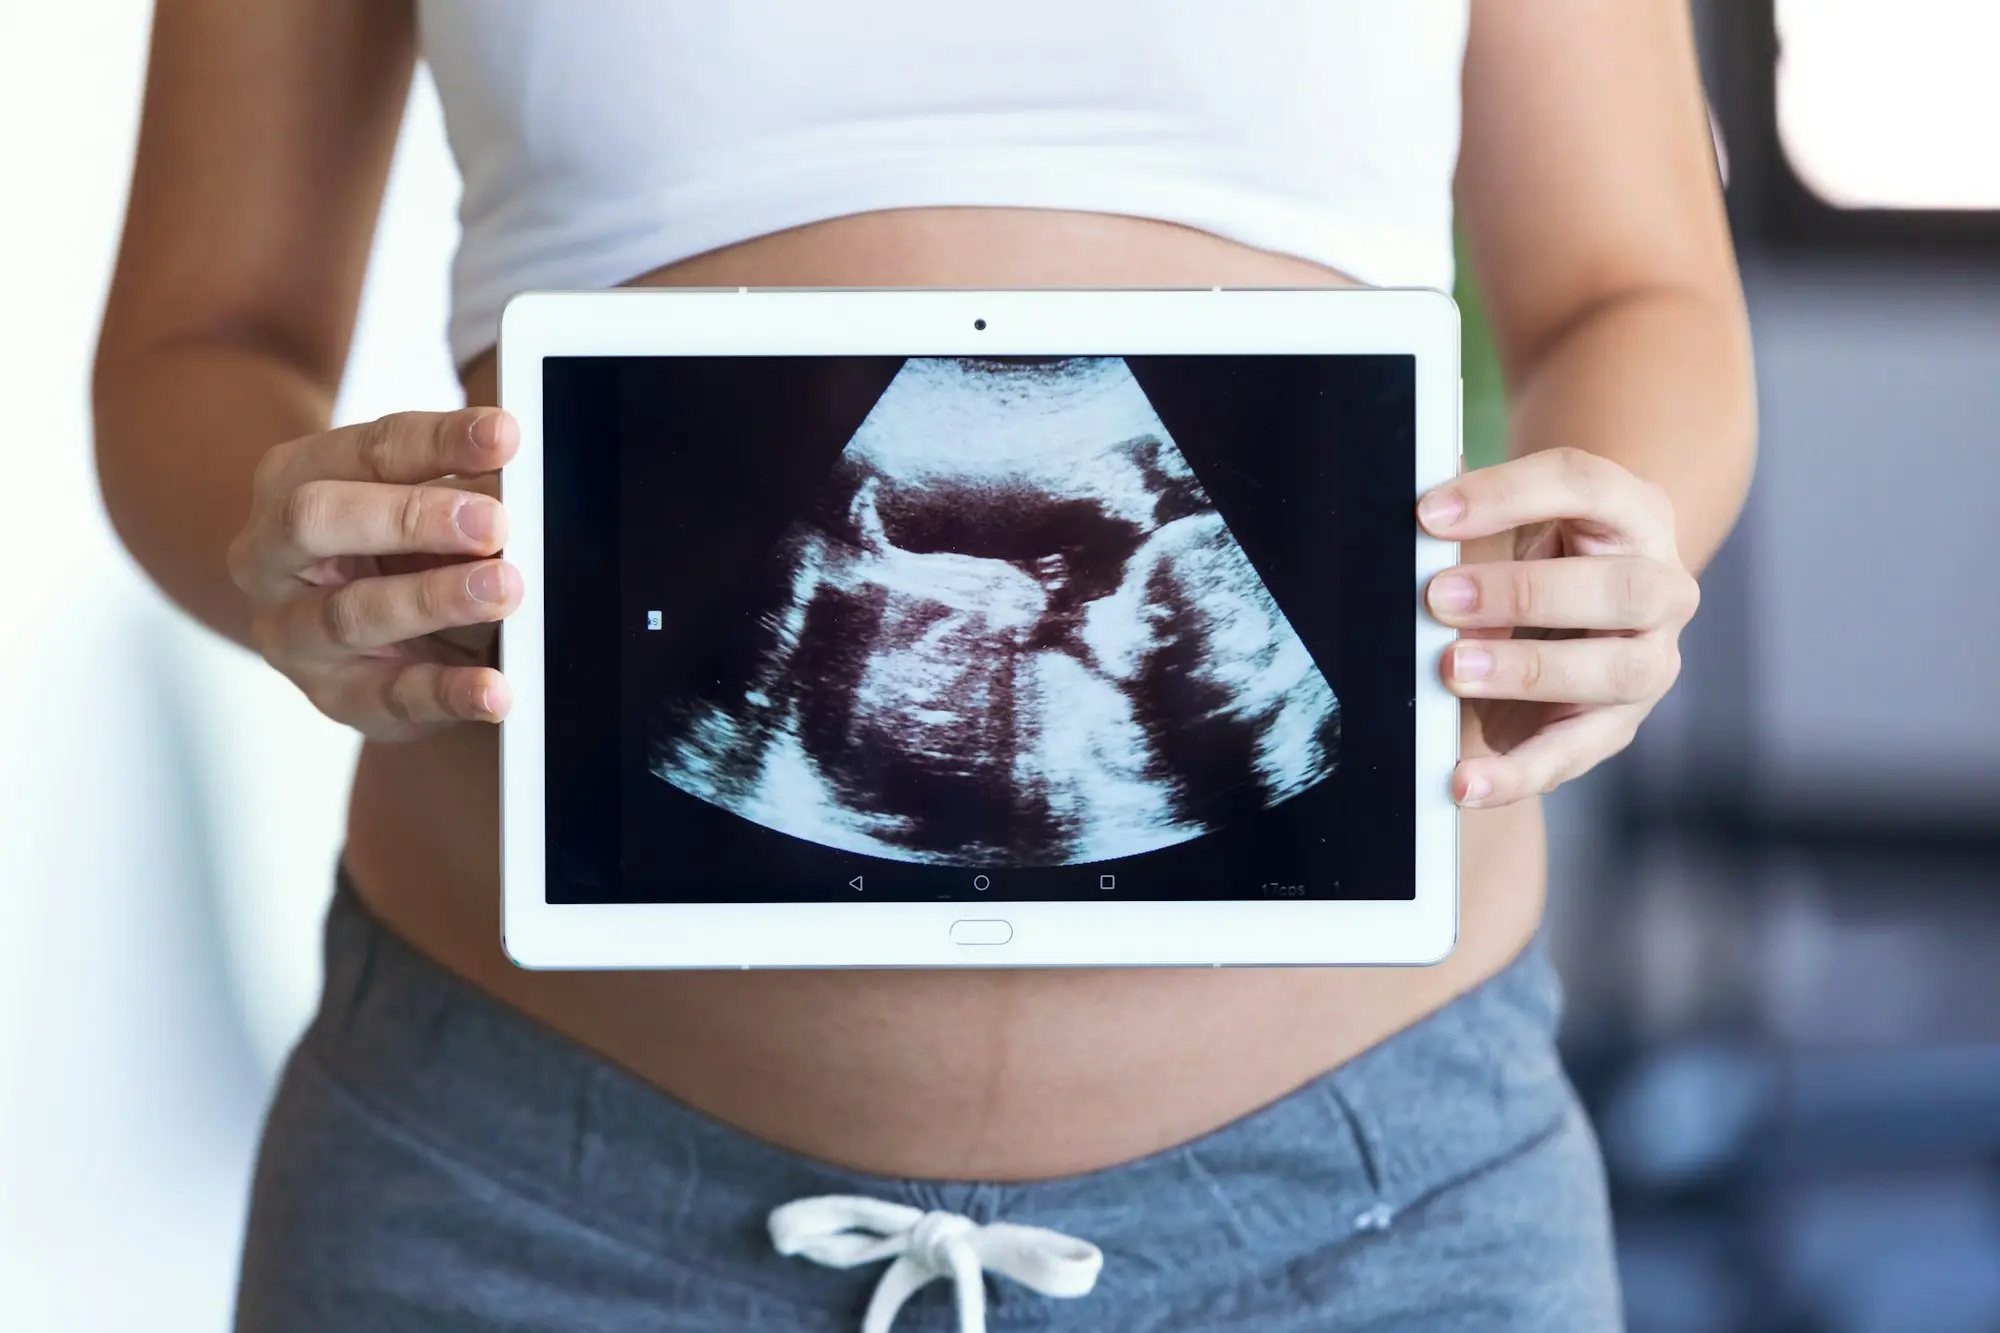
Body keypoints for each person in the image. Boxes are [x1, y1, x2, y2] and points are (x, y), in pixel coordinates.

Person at [93, 2, 1753, 1329]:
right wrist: (293, 555)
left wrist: (1613, 551)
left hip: (1370, 1208)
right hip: (531, 1200)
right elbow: (198, 346)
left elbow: (1633, 287)